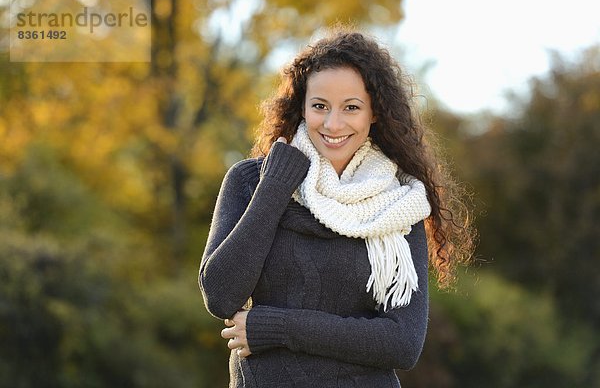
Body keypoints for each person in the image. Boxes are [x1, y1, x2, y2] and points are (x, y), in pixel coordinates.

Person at [199, 28, 474, 387]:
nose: (333, 124)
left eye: (351, 108)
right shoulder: (252, 182)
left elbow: (403, 343)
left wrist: (276, 327)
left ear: (374, 113)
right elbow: (220, 296)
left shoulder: (398, 204)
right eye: (319, 106)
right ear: (301, 107)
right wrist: (276, 185)